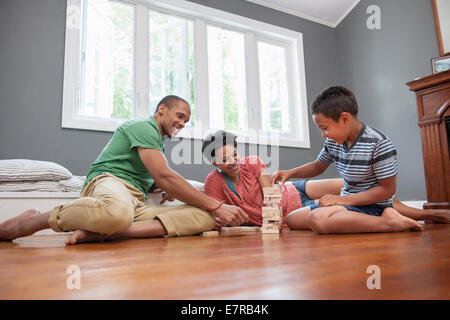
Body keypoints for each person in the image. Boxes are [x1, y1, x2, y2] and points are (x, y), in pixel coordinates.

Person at [0, 95, 248, 244]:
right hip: (109, 182)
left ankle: (102, 233)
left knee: (203, 217)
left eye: (186, 121)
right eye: (180, 116)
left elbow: (155, 176)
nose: (182, 124)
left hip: (135, 201)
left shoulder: (157, 142)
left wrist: (159, 185)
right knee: (118, 213)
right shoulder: (142, 127)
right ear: (162, 108)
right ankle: (31, 221)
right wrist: (216, 204)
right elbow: (164, 173)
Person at [272, 86, 450, 234]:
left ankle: (389, 223)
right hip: (351, 203)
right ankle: (380, 218)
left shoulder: (379, 144)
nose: (323, 134)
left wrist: (344, 201)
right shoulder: (333, 143)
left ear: (344, 118)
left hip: (374, 205)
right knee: (291, 219)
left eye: (324, 128)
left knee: (317, 219)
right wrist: (290, 173)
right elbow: (318, 167)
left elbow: (387, 190)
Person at [201, 130, 449, 230]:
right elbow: (217, 214)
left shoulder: (253, 162)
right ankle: (398, 217)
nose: (233, 160)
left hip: (292, 191)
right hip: (295, 211)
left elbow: (271, 195)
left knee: (353, 186)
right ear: (214, 163)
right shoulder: (214, 181)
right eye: (225, 158)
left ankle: (427, 214)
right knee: (346, 203)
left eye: (234, 153)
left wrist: (271, 218)